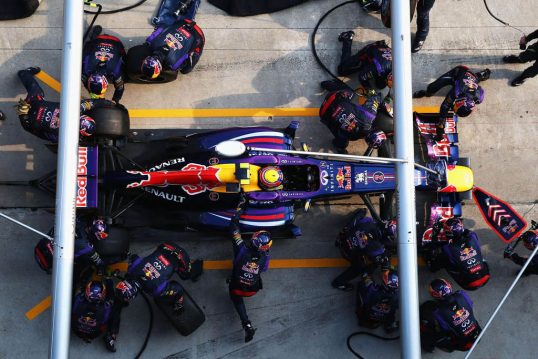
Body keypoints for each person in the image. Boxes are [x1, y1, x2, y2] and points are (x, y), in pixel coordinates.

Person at [16, 67, 114, 142]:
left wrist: (109, 103)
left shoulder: (76, 110)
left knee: (36, 90)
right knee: (32, 127)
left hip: (33, 105)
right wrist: (23, 117)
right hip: (29, 119)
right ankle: (22, 110)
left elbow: (93, 103)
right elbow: (39, 134)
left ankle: (24, 73)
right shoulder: (64, 137)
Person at [228, 193, 271, 342]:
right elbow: (263, 270)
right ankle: (246, 325)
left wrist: (241, 205)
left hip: (237, 286)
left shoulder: (241, 248)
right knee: (238, 290)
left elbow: (233, 226)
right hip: (252, 290)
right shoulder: (265, 257)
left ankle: (246, 322)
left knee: (235, 293)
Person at [116, 243, 201, 314]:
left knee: (185, 276)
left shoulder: (156, 290)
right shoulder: (132, 269)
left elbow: (178, 289)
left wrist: (179, 303)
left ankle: (199, 265)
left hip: (181, 257)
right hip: (166, 246)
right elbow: (134, 257)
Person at [413, 65, 490, 140]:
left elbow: (476, 87)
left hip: (471, 78)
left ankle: (482, 74)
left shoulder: (479, 97)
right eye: (455, 108)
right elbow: (445, 106)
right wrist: (441, 124)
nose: (453, 109)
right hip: (459, 72)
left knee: (475, 78)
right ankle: (426, 93)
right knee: (432, 87)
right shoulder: (457, 91)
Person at [332, 208, 395, 291]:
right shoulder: (377, 248)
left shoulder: (369, 221)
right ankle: (338, 283)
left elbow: (356, 222)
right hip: (347, 253)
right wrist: (386, 262)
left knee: (362, 211)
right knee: (369, 265)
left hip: (341, 239)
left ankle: (340, 238)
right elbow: (380, 259)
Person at [423, 218, 490, 290]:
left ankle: (430, 263)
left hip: (469, 284)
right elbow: (466, 232)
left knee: (439, 262)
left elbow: (435, 245)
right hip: (486, 274)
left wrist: (435, 233)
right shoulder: (472, 235)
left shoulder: (447, 249)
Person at [141, 4, 205, 81]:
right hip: (183, 22)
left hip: (198, 35)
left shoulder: (174, 65)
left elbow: (186, 55)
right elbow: (161, 28)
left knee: (185, 70)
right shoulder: (151, 41)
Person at [420, 278, 481, 353]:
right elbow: (470, 304)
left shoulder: (438, 312)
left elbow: (444, 328)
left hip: (462, 343)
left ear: (435, 295)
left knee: (428, 336)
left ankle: (428, 347)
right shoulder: (462, 294)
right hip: (478, 333)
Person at [34, 218, 110, 278]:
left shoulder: (78, 220)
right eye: (101, 235)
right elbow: (97, 260)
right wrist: (103, 266)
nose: (101, 237)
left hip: (45, 243)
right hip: (53, 257)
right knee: (83, 264)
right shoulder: (88, 247)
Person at [319, 87, 382, 154]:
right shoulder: (354, 137)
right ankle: (339, 148)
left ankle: (332, 85)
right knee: (342, 141)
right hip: (323, 114)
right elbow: (340, 134)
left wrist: (378, 96)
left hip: (332, 97)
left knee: (352, 94)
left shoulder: (370, 116)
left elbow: (374, 99)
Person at [71, 279, 120, 352]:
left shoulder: (79, 299)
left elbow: (73, 311)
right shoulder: (106, 307)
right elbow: (104, 321)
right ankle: (111, 337)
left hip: (75, 330)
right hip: (94, 334)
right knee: (116, 310)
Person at [82, 25, 126, 102]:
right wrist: (116, 100)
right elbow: (119, 88)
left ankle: (93, 37)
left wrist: (116, 101)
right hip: (107, 41)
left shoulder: (115, 72)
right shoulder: (85, 69)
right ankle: (93, 38)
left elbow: (120, 87)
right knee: (87, 50)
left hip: (115, 42)